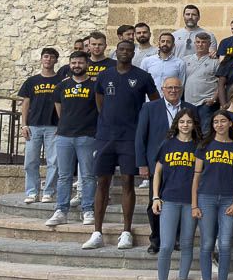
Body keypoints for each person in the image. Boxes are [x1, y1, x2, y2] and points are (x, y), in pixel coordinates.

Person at [82, 41, 158, 251]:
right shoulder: (105, 75)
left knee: (127, 182)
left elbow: (155, 102)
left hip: (130, 137)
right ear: (116, 52)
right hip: (106, 136)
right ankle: (97, 231)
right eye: (121, 50)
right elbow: (99, 100)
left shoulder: (142, 76)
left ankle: (126, 231)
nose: (125, 53)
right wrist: (107, 119)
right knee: (102, 183)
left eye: (128, 50)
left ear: (134, 53)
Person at [147, 110, 200, 280]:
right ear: (176, 124)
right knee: (167, 245)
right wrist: (155, 197)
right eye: (182, 122)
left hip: (190, 201)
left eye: (189, 122)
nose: (185, 125)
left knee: (186, 244)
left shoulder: (198, 146)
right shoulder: (167, 144)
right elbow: (157, 173)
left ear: (194, 125)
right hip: (169, 199)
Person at [135, 76, 193, 254]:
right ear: (163, 89)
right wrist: (142, 164)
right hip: (157, 164)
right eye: (169, 88)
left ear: (181, 89)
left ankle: (175, 238)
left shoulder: (190, 109)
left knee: (180, 202)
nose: (173, 90)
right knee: (155, 203)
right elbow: (140, 136)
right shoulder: (150, 107)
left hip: (184, 164)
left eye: (176, 87)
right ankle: (156, 239)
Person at [192, 111, 233, 280]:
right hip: (206, 197)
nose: (219, 124)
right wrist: (194, 204)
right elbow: (196, 176)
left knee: (224, 244)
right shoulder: (204, 146)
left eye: (223, 121)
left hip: (228, 198)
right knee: (206, 244)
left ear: (230, 124)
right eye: (216, 121)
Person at [46, 51, 99, 228]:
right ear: (69, 64)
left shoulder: (94, 85)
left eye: (80, 63)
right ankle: (61, 210)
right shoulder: (61, 86)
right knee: (64, 176)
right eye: (74, 62)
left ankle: (88, 210)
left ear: (87, 65)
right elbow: (59, 111)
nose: (77, 65)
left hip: (87, 136)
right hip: (64, 136)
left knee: (88, 176)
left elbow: (100, 110)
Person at [19, 47, 61, 205]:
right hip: (34, 126)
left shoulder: (60, 81)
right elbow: (25, 103)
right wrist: (24, 125)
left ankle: (49, 192)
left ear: (56, 60)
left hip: (54, 126)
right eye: (46, 57)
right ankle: (31, 192)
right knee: (30, 161)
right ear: (41, 59)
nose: (48, 60)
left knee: (54, 162)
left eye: (51, 57)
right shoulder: (32, 81)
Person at [181, 32, 219, 133]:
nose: (200, 44)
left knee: (205, 132)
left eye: (203, 42)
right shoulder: (185, 60)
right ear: (194, 43)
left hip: (206, 104)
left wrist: (214, 99)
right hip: (189, 103)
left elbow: (222, 83)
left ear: (209, 44)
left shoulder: (215, 61)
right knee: (189, 132)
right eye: (198, 42)